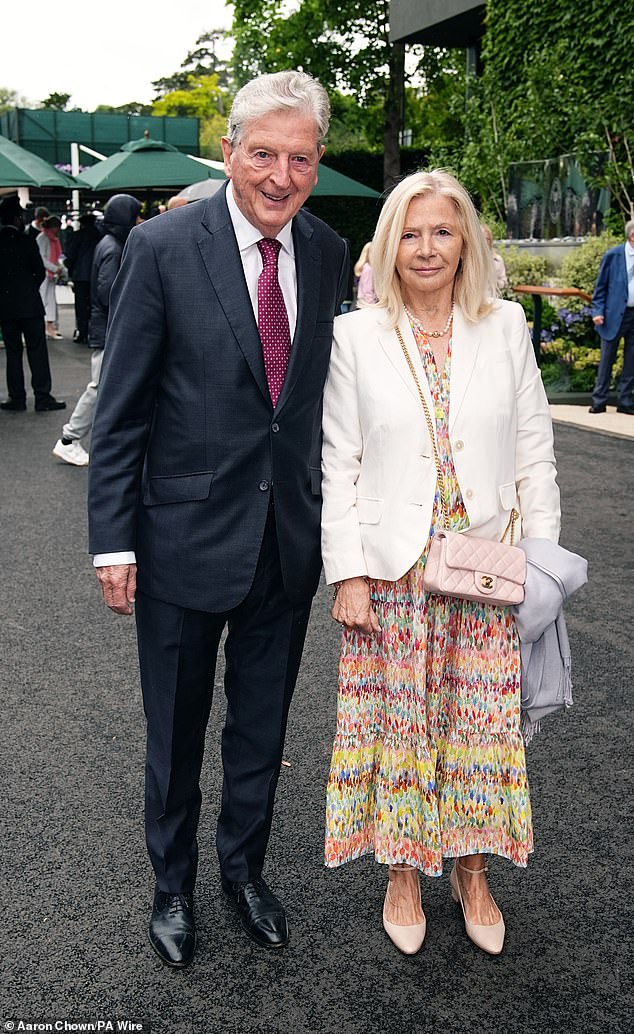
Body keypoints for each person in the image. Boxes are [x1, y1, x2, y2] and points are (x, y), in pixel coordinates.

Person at [87, 70, 349, 968]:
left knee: (262, 728)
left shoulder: (325, 250)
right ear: (230, 151)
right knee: (176, 727)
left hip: (287, 545)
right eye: (264, 154)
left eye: (301, 159)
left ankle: (244, 871)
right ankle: (173, 885)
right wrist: (113, 541)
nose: (281, 176)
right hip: (179, 541)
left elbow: (317, 408)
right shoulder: (162, 248)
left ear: (317, 164)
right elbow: (119, 412)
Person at [321, 169, 560, 957]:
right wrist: (347, 570)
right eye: (412, 233)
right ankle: (402, 869)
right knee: (400, 722)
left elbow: (535, 455)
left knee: (481, 726)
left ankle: (472, 869)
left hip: (485, 566)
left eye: (443, 232)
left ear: (467, 242)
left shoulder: (506, 326)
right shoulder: (356, 335)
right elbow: (339, 464)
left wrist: (543, 566)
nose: (427, 249)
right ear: (391, 244)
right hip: (392, 570)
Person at [52, 195, 141, 467]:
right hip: (108, 329)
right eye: (135, 215)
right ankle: (69, 438)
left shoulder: (109, 243)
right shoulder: (113, 247)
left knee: (106, 387)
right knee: (99, 387)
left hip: (106, 327)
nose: (138, 220)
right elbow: (108, 292)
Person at [0, 194, 65, 412]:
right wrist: (27, 289)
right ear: (18, 218)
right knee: (37, 350)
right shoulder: (26, 240)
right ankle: (42, 396)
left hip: (6, 307)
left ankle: (16, 398)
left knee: (13, 352)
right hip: (30, 305)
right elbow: (38, 271)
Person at [588, 219, 634, 415]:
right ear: (632, 236)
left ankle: (625, 401)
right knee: (607, 359)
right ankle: (599, 400)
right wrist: (597, 311)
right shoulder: (613, 255)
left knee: (631, 360)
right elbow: (600, 288)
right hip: (613, 315)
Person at [64, 212, 100, 344]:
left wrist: (69, 270)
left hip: (80, 275)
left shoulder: (77, 236)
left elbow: (71, 255)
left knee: (81, 305)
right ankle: (93, 331)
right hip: (95, 274)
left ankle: (82, 332)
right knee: (93, 305)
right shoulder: (99, 236)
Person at [36, 215, 65, 339]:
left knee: (49, 299)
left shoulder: (49, 238)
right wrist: (55, 268)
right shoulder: (44, 238)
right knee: (45, 299)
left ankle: (49, 326)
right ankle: (47, 326)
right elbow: (42, 258)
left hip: (50, 273)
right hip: (46, 273)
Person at [481, 223, 508, 291]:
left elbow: (504, 282)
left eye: (487, 239)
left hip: (492, 298)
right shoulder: (468, 259)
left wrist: (494, 283)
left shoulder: (497, 259)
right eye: (482, 238)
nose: (484, 242)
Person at [354, 240, 377, 304]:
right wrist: (372, 305)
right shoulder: (368, 269)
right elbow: (367, 290)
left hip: (363, 302)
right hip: (368, 304)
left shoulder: (364, 267)